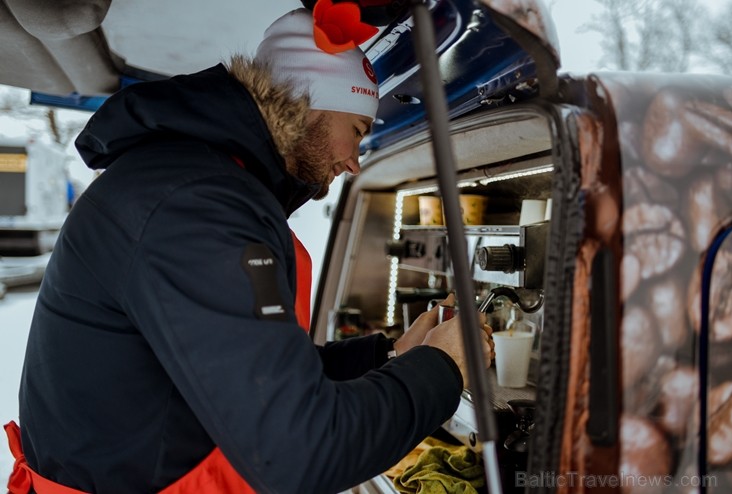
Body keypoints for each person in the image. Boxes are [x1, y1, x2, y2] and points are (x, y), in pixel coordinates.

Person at [5, 7, 493, 494]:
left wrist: (390, 353)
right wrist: (443, 368)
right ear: (311, 104)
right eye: (359, 131)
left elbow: (257, 374)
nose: (353, 161)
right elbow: (302, 453)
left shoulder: (192, 183)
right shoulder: (197, 205)